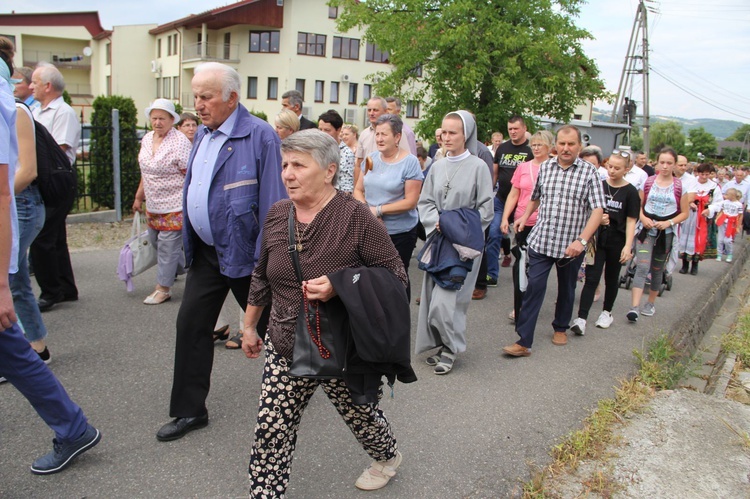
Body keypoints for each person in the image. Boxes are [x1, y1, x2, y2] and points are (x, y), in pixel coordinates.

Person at [241, 130, 409, 496]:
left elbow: (397, 276)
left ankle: (387, 456)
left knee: (361, 415)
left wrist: (341, 284)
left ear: (330, 170)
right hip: (284, 341)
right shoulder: (277, 213)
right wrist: (250, 325)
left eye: (299, 165)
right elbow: (261, 272)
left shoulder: (356, 217)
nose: (288, 173)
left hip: (340, 344)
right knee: (271, 427)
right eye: (285, 165)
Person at [155, 62, 286, 442]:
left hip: (249, 257)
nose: (198, 104)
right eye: (195, 96)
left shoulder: (260, 136)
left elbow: (274, 207)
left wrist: (268, 263)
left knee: (275, 329)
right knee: (191, 326)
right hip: (210, 255)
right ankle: (189, 411)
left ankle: (309, 383)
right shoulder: (202, 136)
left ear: (232, 97)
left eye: (206, 96)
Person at [0, 35, 101, 475]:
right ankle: (73, 426)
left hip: (28, 203)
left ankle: (72, 425)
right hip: (21, 207)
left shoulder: (15, 109)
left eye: (36, 81)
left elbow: (10, 185)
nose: (30, 85)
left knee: (25, 288)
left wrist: (0, 281)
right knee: (14, 348)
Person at [503, 125, 605, 357]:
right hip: (542, 240)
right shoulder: (546, 167)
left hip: (571, 246)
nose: (566, 148)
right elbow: (536, 197)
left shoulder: (589, 172)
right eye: (562, 143)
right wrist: (524, 217)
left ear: (579, 146)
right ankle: (523, 341)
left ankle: (560, 326)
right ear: (556, 145)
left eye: (571, 144)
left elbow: (598, 210)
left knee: (567, 289)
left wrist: (582, 240)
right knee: (534, 288)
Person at [416, 110, 494, 374]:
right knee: (431, 299)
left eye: (453, 132)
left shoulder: (478, 167)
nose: (446, 137)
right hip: (438, 241)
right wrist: (436, 222)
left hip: (463, 245)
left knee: (450, 301)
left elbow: (486, 209)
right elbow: (425, 202)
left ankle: (451, 348)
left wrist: (457, 228)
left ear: (466, 135)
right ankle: (441, 344)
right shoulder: (437, 167)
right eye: (443, 132)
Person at [28, 62, 80, 312]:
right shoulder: (36, 111)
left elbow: (59, 150)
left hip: (58, 179)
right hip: (44, 179)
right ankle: (66, 288)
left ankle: (50, 291)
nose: (30, 87)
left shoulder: (64, 112)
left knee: (41, 236)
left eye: (34, 83)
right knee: (56, 237)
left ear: (48, 86)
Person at [570, 151, 640, 334]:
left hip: (617, 240)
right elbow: (589, 210)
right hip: (596, 239)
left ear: (626, 169)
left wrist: (628, 245)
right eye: (610, 166)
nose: (612, 171)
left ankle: (607, 312)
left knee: (611, 277)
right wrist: (598, 220)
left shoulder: (631, 192)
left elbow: (632, 220)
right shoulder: (599, 186)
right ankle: (581, 318)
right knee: (591, 278)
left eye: (617, 168)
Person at [354, 114, 422, 299]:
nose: (379, 139)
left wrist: (378, 210)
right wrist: (368, 212)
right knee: (372, 277)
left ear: (397, 137)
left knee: (397, 277)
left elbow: (410, 202)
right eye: (377, 134)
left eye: (384, 134)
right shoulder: (370, 159)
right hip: (371, 229)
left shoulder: (410, 162)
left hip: (400, 232)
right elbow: (358, 190)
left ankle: (399, 322)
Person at [132, 99, 192, 304]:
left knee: (167, 246)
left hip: (175, 204)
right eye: (154, 118)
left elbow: (190, 174)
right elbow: (145, 172)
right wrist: (139, 196)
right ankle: (190, 267)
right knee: (157, 243)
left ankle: (163, 288)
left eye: (162, 118)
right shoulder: (147, 139)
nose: (157, 122)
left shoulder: (180, 141)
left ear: (172, 120)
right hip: (154, 203)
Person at [10, 68, 51, 362]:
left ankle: (33, 347)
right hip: (11, 203)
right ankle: (30, 345)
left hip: (21, 204)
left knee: (13, 278)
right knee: (14, 278)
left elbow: (27, 171)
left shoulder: (16, 111)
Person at [627, 148, 690, 322]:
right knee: (641, 266)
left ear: (674, 165)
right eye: (662, 162)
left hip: (666, 232)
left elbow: (685, 213)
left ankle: (651, 303)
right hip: (647, 230)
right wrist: (643, 218)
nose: (665, 166)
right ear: (656, 162)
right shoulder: (648, 182)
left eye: (669, 163)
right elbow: (638, 205)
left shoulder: (679, 186)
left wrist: (669, 222)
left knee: (657, 269)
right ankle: (634, 307)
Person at [500, 130, 554, 324]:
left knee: (536, 268)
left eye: (541, 145)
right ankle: (518, 306)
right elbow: (513, 194)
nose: (537, 148)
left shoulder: (552, 167)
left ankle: (531, 305)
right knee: (520, 265)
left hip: (544, 223)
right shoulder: (523, 167)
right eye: (534, 144)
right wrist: (505, 217)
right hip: (522, 220)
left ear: (549, 147)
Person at [486, 116, 533, 285]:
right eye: (510, 129)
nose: (513, 132)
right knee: (493, 234)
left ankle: (525, 276)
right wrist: (488, 192)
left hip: (523, 204)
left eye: (516, 128)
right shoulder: (502, 148)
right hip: (501, 199)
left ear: (524, 129)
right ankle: (491, 274)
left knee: (523, 242)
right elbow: (495, 173)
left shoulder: (530, 150)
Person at [354, 97, 411, 188]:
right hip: (366, 188)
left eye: (375, 110)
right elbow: (359, 164)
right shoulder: (364, 134)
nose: (371, 113)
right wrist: (356, 190)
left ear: (385, 111)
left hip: (390, 188)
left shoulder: (398, 133)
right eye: (369, 110)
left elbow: (406, 161)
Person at [677, 163, 723, 274]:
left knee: (698, 241)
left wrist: (709, 209)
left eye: (707, 174)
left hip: (702, 217)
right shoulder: (690, 183)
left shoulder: (714, 187)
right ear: (698, 173)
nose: (704, 177)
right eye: (702, 174)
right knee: (685, 238)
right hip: (688, 216)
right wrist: (690, 202)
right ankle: (684, 264)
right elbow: (682, 196)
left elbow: (719, 202)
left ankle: (695, 265)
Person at [318, 109, 355, 193]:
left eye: (327, 130)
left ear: (338, 130)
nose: (322, 133)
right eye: (320, 129)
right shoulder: (315, 150)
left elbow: (347, 186)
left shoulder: (346, 154)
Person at [715, 187, 743, 263]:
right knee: (720, 239)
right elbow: (721, 211)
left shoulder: (739, 204)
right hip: (723, 221)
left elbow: (740, 216)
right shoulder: (725, 202)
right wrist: (717, 218)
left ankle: (729, 253)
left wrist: (738, 226)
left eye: (727, 194)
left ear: (732, 195)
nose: (725, 196)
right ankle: (719, 254)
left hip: (731, 223)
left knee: (727, 240)